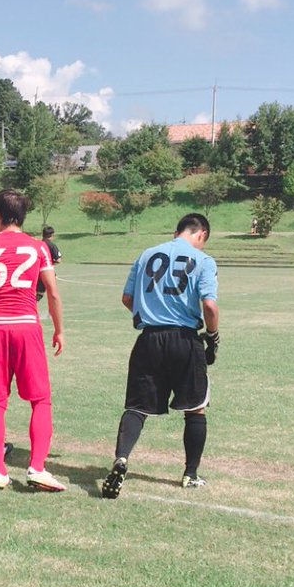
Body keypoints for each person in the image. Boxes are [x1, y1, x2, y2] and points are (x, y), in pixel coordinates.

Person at [102, 213, 219, 498]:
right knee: (195, 408)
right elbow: (210, 306)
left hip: (149, 339)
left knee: (137, 406)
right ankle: (190, 474)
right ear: (201, 234)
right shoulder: (203, 260)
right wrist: (213, 338)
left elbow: (127, 298)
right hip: (184, 339)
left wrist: (152, 316)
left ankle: (122, 457)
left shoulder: (146, 255)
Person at [0, 189, 66, 492]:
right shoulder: (38, 248)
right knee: (40, 400)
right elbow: (51, 292)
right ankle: (36, 467)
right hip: (26, 325)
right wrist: (59, 330)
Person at [36, 226, 62, 304]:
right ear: (51, 235)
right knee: (51, 293)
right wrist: (49, 263)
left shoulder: (37, 244)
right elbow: (58, 260)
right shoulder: (51, 245)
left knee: (35, 292)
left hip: (35, 271)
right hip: (47, 272)